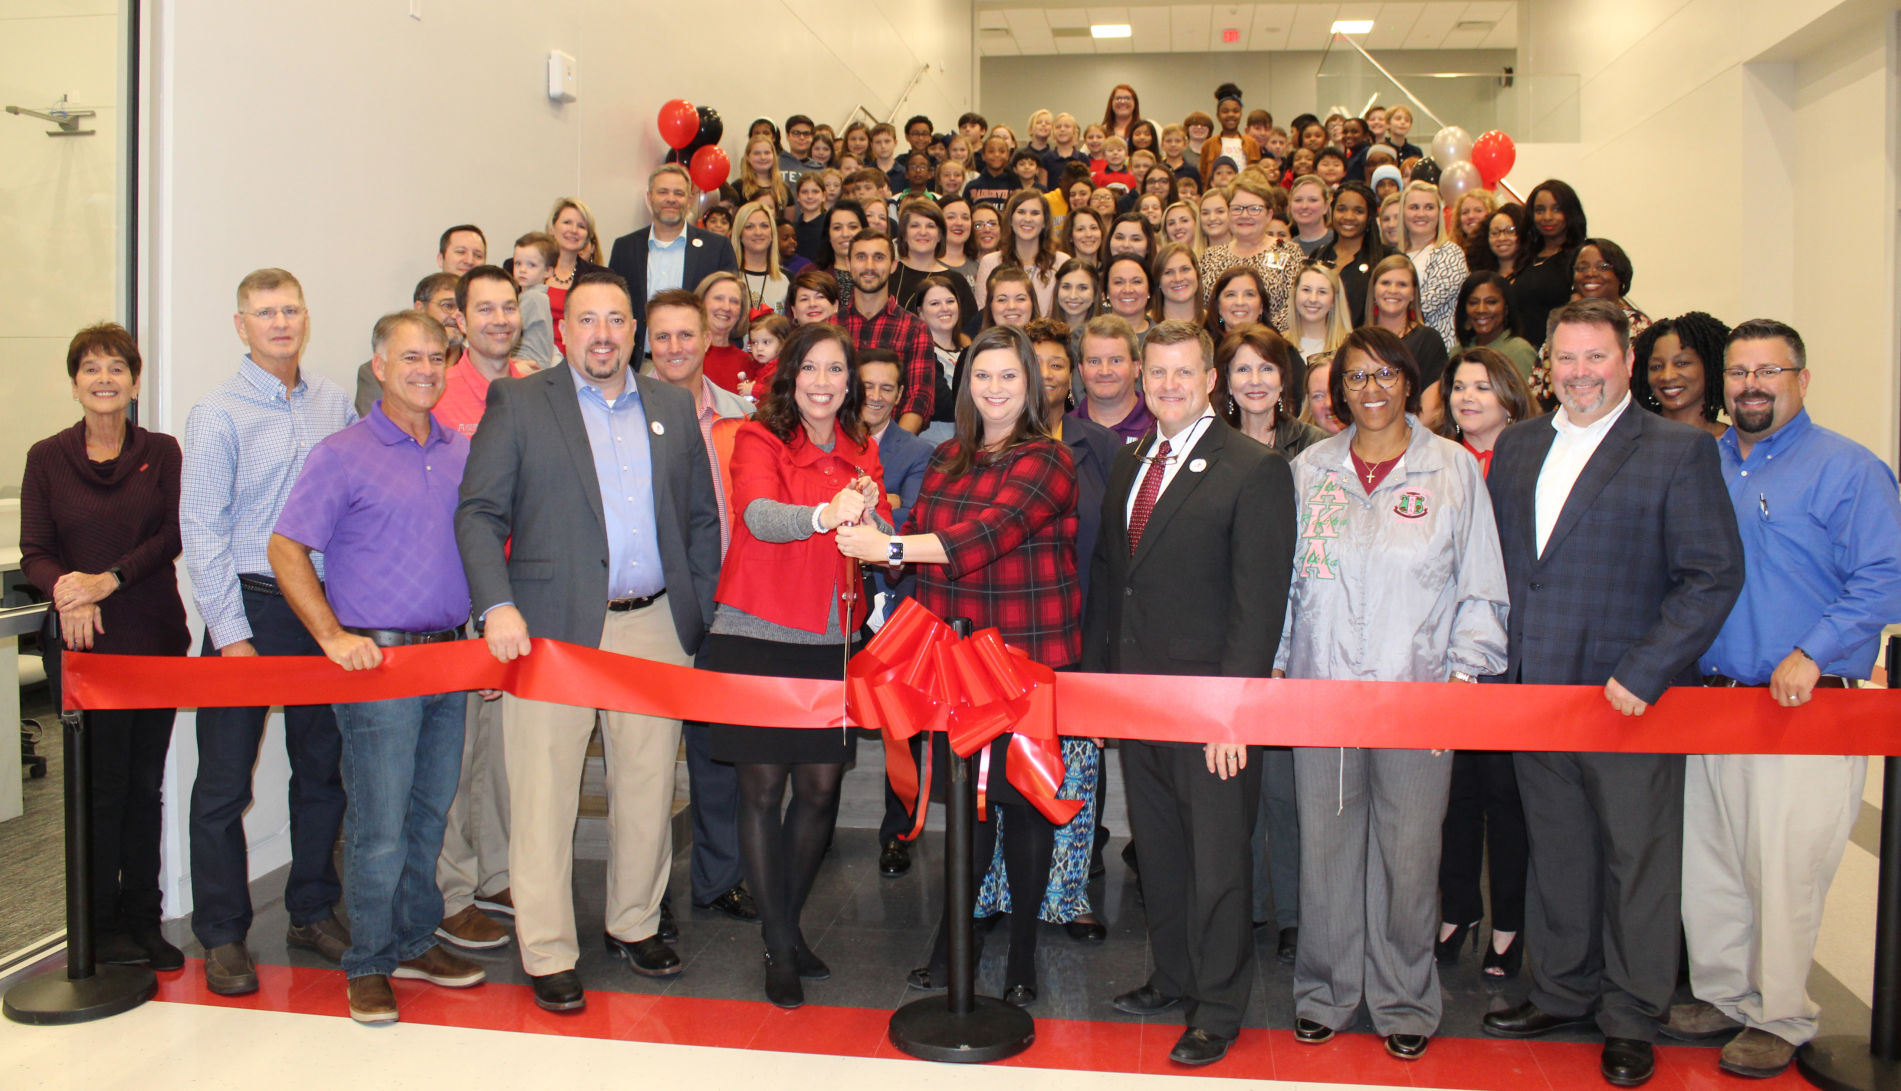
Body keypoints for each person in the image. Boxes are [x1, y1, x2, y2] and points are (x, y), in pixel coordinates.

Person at [1480, 299, 1745, 1090]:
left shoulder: (1675, 451)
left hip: (1629, 698)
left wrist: (1645, 668)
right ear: (1546, 366)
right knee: (1556, 852)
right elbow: (1505, 567)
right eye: (1567, 359)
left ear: (1626, 364)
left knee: (1636, 861)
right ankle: (1562, 989)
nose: (1581, 373)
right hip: (1537, 695)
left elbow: (1711, 574)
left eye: (1596, 358)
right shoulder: (1521, 445)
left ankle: (1630, 1014)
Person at [455, 269, 722, 1013]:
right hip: (550, 629)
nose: (602, 334)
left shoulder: (670, 403)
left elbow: (700, 518)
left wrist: (692, 614)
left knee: (646, 784)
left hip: (654, 625)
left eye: (616, 320)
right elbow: (476, 513)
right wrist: (496, 605)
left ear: (633, 331)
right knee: (543, 791)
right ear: (564, 330)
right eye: (587, 320)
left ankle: (633, 922)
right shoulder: (518, 402)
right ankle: (546, 947)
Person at [1664, 319, 1901, 1079]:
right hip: (1712, 699)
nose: (1751, 386)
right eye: (1737, 372)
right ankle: (1725, 993)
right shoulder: (1707, 463)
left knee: (1783, 864)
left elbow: (1884, 576)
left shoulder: (1848, 470)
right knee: (1713, 860)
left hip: (1802, 704)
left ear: (1801, 377)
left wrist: (1813, 650)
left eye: (1768, 371)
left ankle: (1779, 1013)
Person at [1280, 326, 1509, 1063]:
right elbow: (1285, 584)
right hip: (1323, 695)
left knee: (1410, 858)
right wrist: (1281, 665)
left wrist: (1462, 675)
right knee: (1326, 853)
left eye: (1384, 375)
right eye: (1354, 377)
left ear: (1409, 383)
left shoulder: (1449, 469)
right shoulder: (1309, 468)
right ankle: (1324, 990)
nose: (1370, 390)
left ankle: (1404, 997)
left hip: (1417, 700)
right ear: (1337, 390)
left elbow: (1480, 586)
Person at [836, 324, 1082, 1008]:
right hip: (954, 659)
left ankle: (1024, 954)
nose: (994, 388)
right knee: (967, 810)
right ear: (965, 384)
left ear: (1030, 384)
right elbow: (920, 532)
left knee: (1024, 805)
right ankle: (956, 942)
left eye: (1008, 376)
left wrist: (888, 548)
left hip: (1024, 658)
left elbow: (980, 539)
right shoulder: (947, 453)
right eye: (982, 376)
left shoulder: (1047, 460)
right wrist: (873, 514)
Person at [1085, 320, 1296, 1067]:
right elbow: (1116, 581)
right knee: (1163, 853)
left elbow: (1258, 603)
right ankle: (1171, 974)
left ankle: (1217, 1003)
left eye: (1183, 373)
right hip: (1139, 702)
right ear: (1141, 383)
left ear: (1209, 379)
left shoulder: (1252, 466)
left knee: (1217, 862)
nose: (1168, 386)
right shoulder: (1129, 460)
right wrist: (1104, 692)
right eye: (1156, 374)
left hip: (1212, 711)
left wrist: (1232, 710)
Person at [268, 310, 486, 1024]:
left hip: (449, 658)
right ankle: (368, 960)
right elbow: (286, 547)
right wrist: (329, 633)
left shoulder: (461, 450)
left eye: (435, 357)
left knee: (429, 811)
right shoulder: (342, 452)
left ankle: (417, 937)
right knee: (379, 821)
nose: (425, 369)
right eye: (410, 357)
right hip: (378, 666)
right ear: (380, 365)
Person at [701, 323, 892, 1007]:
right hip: (757, 631)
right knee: (761, 791)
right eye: (809, 368)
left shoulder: (860, 449)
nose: (822, 381)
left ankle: (784, 923)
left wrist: (873, 516)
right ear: (789, 376)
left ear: (850, 383)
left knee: (818, 789)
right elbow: (757, 515)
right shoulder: (758, 437)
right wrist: (822, 512)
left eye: (835, 370)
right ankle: (779, 943)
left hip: (829, 641)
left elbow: (877, 542)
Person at [182, 269, 356, 996]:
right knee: (224, 785)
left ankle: (310, 909)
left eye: (290, 309)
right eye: (265, 312)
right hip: (247, 610)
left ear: (305, 318)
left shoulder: (333, 403)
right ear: (241, 325)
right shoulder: (217, 414)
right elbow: (203, 530)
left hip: (318, 612)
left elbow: (352, 509)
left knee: (322, 772)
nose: (280, 322)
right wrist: (229, 634)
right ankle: (222, 932)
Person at [21, 323, 189, 972]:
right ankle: (94, 927)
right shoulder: (46, 456)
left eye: (117, 368)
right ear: (74, 383)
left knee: (143, 786)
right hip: (82, 644)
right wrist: (73, 591)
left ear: (135, 382)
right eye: (90, 368)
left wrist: (107, 580)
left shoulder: (162, 452)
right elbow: (36, 549)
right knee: (98, 787)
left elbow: (172, 534)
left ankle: (143, 922)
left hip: (149, 639)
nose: (104, 379)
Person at [1429, 346, 1536, 976]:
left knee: (1508, 794)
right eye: (1460, 387)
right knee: (1456, 792)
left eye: (1483, 387)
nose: (1469, 398)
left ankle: (1511, 922)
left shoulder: (1533, 457)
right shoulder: (1438, 460)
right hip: (1446, 653)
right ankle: (1458, 908)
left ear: (1509, 395)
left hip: (1515, 657)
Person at [606, 164, 740, 325]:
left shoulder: (717, 248)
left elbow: (731, 305)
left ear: (689, 200)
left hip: (696, 349)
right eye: (663, 192)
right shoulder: (625, 248)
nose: (671, 199)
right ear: (649, 198)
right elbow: (612, 305)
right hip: (640, 349)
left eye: (679, 193)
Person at [841, 230, 936, 433]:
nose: (869, 266)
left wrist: (892, 451)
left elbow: (918, 400)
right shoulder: (829, 330)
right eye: (860, 257)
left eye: (879, 257)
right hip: (834, 449)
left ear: (893, 265)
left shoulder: (915, 329)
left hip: (892, 452)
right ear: (848, 264)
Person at [1199, 177, 1302, 331]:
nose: (1245, 215)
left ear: (1269, 215)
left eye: (1254, 209)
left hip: (1271, 344)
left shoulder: (1289, 253)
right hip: (1219, 344)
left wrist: (1256, 336)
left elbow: (1294, 307)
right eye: (1237, 208)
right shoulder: (1210, 256)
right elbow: (1203, 308)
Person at [356, 273, 461, 417]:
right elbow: (372, 430)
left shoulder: (479, 369)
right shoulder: (379, 370)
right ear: (420, 308)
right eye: (448, 306)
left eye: (437, 359)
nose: (456, 315)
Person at [1364, 255, 1450, 424]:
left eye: (1402, 284)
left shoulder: (1428, 339)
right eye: (1385, 283)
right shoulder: (1358, 342)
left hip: (1414, 441)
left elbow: (1431, 408)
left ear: (1413, 294)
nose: (1393, 290)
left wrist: (1401, 443)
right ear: (1373, 290)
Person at [1513, 180, 1587, 349]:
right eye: (1540, 210)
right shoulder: (1526, 258)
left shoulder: (1580, 258)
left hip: (1560, 354)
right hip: (1523, 357)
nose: (1547, 217)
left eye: (1556, 209)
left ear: (1570, 212)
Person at [1631, 312, 1729, 439]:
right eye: (1656, 366)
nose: (1667, 376)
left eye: (1681, 363)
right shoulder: (1630, 440)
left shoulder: (1738, 444)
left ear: (1711, 366)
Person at [1397, 181, 1468, 352]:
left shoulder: (1450, 252)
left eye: (1429, 207)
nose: (1421, 214)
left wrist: (1388, 311)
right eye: (1414, 207)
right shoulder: (1393, 255)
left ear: (1439, 213)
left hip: (1437, 351)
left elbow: (1426, 305)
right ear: (1403, 213)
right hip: (1399, 349)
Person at [974, 190, 1068, 315]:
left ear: (1045, 222)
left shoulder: (1061, 262)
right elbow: (983, 314)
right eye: (1021, 212)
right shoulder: (990, 263)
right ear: (1010, 220)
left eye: (1035, 213)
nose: (1027, 219)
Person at [1072, 313, 1153, 443]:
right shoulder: (1063, 433)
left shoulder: (1159, 428)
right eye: (1094, 361)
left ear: (1137, 367)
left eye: (1115, 361)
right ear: (1081, 370)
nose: (1105, 371)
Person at [543, 197, 609, 353]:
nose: (573, 230)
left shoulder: (601, 277)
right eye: (567, 222)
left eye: (581, 226)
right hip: (533, 363)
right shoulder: (524, 266)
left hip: (580, 363)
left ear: (587, 236)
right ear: (552, 228)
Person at [1315, 181, 1384, 325]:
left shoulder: (1385, 257)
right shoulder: (1319, 255)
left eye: (1358, 211)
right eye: (1341, 209)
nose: (1348, 216)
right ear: (1332, 211)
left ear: (1369, 216)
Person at [1454, 271, 1539, 381]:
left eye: (1491, 302)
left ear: (1506, 308)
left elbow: (1527, 397)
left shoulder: (1519, 351)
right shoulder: (1457, 351)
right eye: (1473, 302)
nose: (1481, 310)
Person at [694, 271, 754, 394]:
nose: (726, 307)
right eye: (718, 298)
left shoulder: (751, 363)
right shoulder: (684, 355)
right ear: (701, 303)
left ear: (741, 311)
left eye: (734, 301)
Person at [510, 232, 558, 369]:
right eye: (518, 263)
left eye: (531, 265)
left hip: (527, 363)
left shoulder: (533, 298)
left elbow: (510, 331)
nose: (522, 270)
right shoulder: (537, 297)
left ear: (548, 271)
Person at [732, 200, 788, 314]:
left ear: (772, 233)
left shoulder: (787, 279)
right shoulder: (727, 276)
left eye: (764, 226)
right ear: (739, 233)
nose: (758, 232)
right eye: (749, 226)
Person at [1286, 264, 1352, 359]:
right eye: (1306, 290)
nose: (1313, 299)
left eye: (1322, 292)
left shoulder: (1349, 347)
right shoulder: (1279, 344)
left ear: (1334, 300)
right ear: (1295, 294)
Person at [1199, 83, 1259, 183]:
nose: (1231, 115)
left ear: (1241, 114)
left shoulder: (1252, 143)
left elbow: (1258, 175)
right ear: (1218, 115)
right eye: (1225, 111)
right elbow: (1204, 178)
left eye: (1235, 111)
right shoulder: (1209, 144)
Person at [1203, 265, 1267, 342]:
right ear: (1218, 305)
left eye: (1249, 294)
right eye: (1231, 295)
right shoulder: (1200, 349)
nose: (1240, 302)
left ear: (1261, 306)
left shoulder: (1280, 349)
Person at [1467, 204, 1526, 279]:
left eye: (1510, 231)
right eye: (1495, 233)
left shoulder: (1534, 272)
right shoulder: (1480, 276)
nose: (1501, 238)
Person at [1150, 243, 1203, 325]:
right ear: (1158, 280)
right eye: (1169, 272)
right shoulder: (1146, 326)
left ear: (1197, 274)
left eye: (1185, 269)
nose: (1178, 279)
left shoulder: (1213, 323)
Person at [1103, 254, 1153, 337]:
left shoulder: (1164, 339)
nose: (1128, 290)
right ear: (1107, 291)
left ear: (1149, 289)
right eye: (1118, 282)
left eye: (1136, 282)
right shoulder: (1087, 335)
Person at [1051, 258, 1100, 331]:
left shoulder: (1107, 335)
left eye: (1083, 288)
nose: (1073, 296)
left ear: (1095, 293)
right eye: (1066, 287)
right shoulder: (1044, 334)